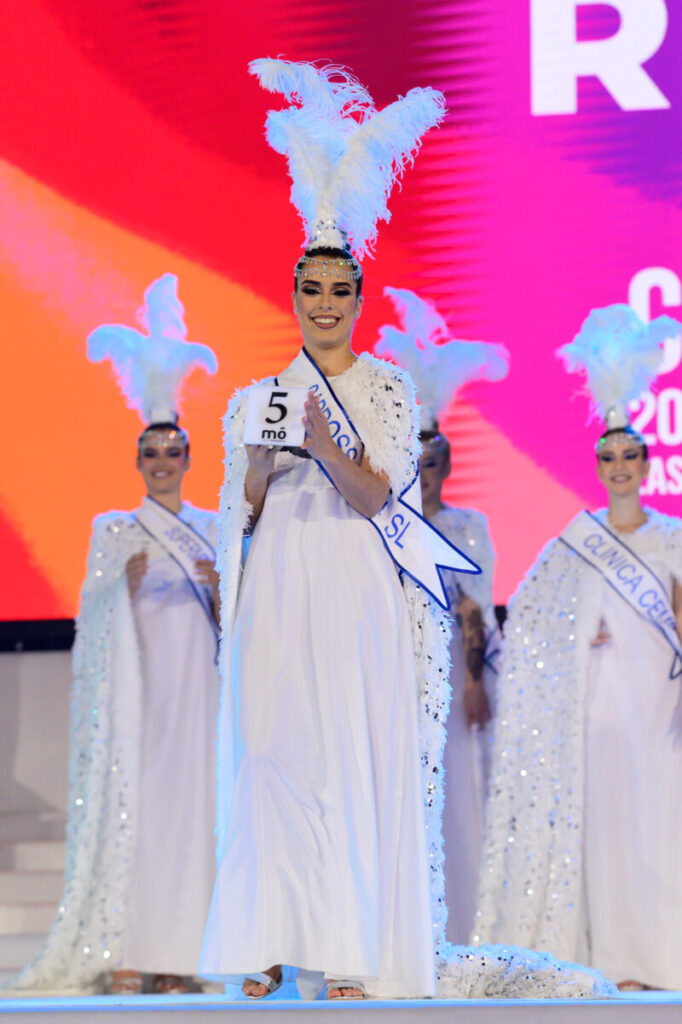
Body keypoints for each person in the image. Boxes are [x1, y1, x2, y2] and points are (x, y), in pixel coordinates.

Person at [200, 59, 613, 1003]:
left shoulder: (385, 386)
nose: (326, 303)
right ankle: (267, 938)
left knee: (347, 758)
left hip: (354, 592)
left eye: (341, 289)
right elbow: (243, 513)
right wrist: (264, 467)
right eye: (312, 288)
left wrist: (326, 446)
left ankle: (348, 952)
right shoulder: (253, 397)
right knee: (272, 755)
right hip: (278, 596)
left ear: (357, 294)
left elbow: (383, 498)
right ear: (296, 292)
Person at [10, 275, 221, 995]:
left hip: (199, 699)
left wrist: (221, 588)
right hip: (140, 704)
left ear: (189, 459)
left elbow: (241, 625)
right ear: (138, 462)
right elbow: (91, 621)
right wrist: (117, 594)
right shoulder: (114, 530)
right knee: (140, 814)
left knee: (195, 815)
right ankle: (129, 948)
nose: (163, 463)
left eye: (174, 452)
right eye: (151, 454)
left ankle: (184, 954)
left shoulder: (215, 532)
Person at [474, 305, 682, 991]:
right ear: (596, 465)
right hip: (596, 714)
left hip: (663, 712)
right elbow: (528, 616)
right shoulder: (574, 543)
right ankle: (620, 963)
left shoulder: (673, 537)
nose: (620, 467)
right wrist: (573, 628)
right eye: (608, 458)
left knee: (663, 829)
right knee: (612, 837)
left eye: (630, 456)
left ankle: (666, 955)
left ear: (648, 462)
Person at [375, 286, 506, 946]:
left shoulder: (468, 525)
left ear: (448, 466)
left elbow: (477, 607)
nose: (425, 474)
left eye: (435, 463)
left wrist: (477, 680)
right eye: (416, 463)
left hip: (452, 676)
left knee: (457, 791)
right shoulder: (384, 524)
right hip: (395, 673)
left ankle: (462, 926)